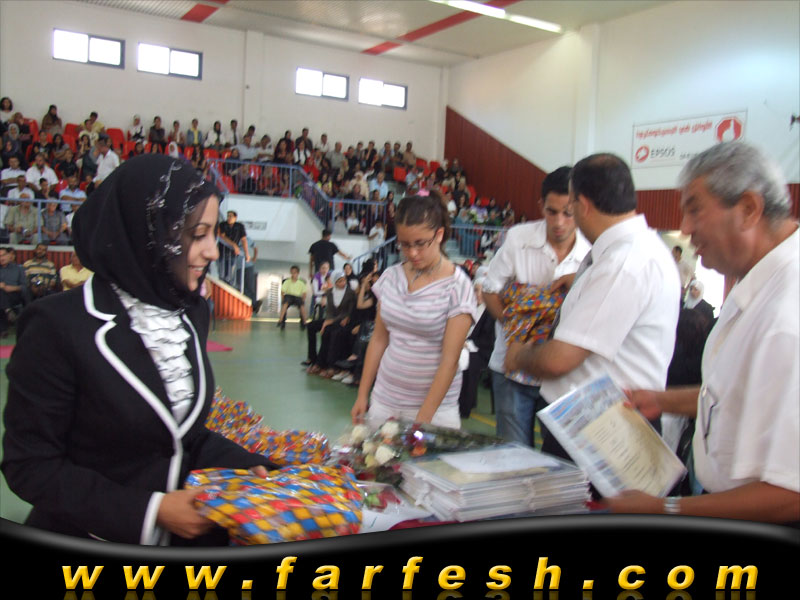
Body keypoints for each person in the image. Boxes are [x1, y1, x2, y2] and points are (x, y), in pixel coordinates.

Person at [1, 154, 277, 545]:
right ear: (148, 235)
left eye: (214, 233)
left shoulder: (190, 313)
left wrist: (249, 465)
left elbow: (180, 436)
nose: (213, 251)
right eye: (197, 234)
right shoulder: (55, 325)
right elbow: (31, 466)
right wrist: (151, 511)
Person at [505, 154, 681, 461]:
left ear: (583, 205)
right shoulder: (637, 250)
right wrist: (582, 284)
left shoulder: (622, 264)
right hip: (600, 423)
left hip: (599, 431)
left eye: (570, 206)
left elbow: (559, 360)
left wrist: (519, 355)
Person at [482, 166, 590, 447]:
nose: (559, 222)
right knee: (513, 457)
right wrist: (520, 325)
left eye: (568, 213)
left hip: (564, 373)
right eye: (551, 212)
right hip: (510, 368)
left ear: (580, 207)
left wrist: (578, 282)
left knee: (561, 457)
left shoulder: (592, 251)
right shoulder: (519, 238)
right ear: (541, 205)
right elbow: (490, 290)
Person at [351, 191, 477, 428]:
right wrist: (362, 394)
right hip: (384, 400)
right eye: (405, 244)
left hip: (434, 412)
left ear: (439, 235)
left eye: (420, 244)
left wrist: (422, 420)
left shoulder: (457, 287)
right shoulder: (391, 277)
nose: (412, 253)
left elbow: (450, 361)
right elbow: (379, 339)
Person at [304, 270, 356, 377]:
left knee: (329, 331)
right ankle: (313, 359)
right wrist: (327, 321)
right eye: (340, 281)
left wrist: (330, 322)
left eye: (344, 280)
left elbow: (348, 312)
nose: (343, 283)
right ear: (335, 282)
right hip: (332, 319)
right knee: (311, 326)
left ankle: (328, 364)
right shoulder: (330, 292)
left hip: (343, 320)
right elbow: (329, 311)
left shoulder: (350, 293)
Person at [0, 245, 27, 336]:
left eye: (3, 255)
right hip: (2, 295)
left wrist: (12, 288)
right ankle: (8, 310)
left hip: (14, 295)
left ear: (9, 255)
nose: (1, 258)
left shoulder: (19, 269)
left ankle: (3, 329)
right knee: (1, 293)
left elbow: (24, 286)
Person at [278, 265, 308, 329]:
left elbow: (304, 293)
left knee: (302, 306)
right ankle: (281, 320)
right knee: (285, 304)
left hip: (297, 297)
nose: (293, 274)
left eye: (295, 272)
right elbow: (282, 291)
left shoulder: (301, 282)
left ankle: (304, 322)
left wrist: (303, 300)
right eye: (292, 272)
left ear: (298, 273)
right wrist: (283, 299)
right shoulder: (287, 281)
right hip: (289, 296)